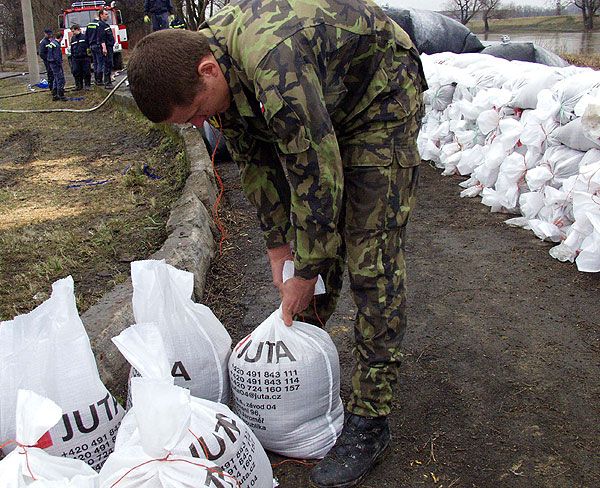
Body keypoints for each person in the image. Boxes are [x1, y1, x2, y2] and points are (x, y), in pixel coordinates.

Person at [127, 0, 426, 486]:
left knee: (370, 254)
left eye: (201, 110)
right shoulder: (208, 64)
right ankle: (298, 356)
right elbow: (254, 159)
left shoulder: (273, 60)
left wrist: (306, 271)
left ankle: (371, 416)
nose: (205, 119)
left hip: (379, 97)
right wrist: (278, 250)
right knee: (308, 251)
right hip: (320, 94)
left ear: (208, 69)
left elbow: (316, 174)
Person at [46, 30, 66, 101]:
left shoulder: (51, 43)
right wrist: (59, 63)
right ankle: (61, 95)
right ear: (61, 37)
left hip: (51, 63)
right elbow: (57, 57)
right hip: (56, 64)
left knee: (55, 79)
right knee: (60, 79)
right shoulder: (57, 45)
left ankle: (54, 94)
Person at [69, 24, 91, 90]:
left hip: (85, 57)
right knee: (76, 72)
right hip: (76, 58)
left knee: (86, 72)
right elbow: (72, 49)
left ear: (77, 29)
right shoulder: (73, 39)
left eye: (73, 31)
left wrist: (89, 55)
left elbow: (88, 47)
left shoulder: (84, 37)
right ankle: (78, 85)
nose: (72, 33)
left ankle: (87, 85)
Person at [97, 8, 114, 89]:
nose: (108, 16)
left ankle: (109, 81)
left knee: (110, 64)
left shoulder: (106, 25)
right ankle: (107, 83)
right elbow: (102, 38)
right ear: (101, 15)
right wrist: (104, 48)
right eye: (106, 14)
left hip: (110, 47)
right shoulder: (101, 25)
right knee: (107, 64)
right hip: (106, 48)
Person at [85, 14, 103, 86]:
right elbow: (100, 36)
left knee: (95, 63)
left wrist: (88, 46)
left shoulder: (89, 25)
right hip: (98, 45)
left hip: (91, 45)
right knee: (100, 63)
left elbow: (86, 36)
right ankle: (99, 80)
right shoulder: (99, 24)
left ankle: (96, 79)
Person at [38, 28, 54, 95]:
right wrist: (47, 59)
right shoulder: (43, 42)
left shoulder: (50, 41)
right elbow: (41, 53)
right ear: (45, 34)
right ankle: (52, 88)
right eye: (48, 34)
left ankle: (55, 87)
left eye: (50, 33)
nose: (50, 35)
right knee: (50, 74)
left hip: (52, 60)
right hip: (48, 61)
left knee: (53, 74)